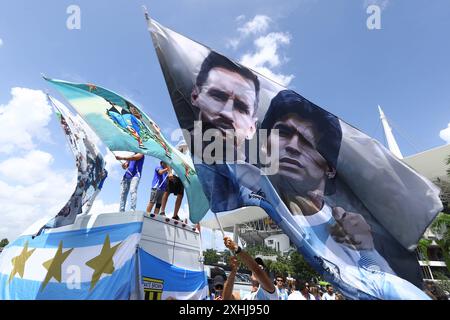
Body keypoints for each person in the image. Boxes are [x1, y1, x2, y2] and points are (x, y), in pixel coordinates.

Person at [260, 90, 430, 299]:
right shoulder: (256, 195)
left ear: (330, 168)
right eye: (283, 133)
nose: (293, 147)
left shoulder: (361, 237)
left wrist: (368, 253)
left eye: (307, 142)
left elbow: (383, 284)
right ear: (265, 146)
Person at [190, 51, 260, 161]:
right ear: (195, 96)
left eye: (241, 108)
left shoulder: (258, 177)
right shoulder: (177, 159)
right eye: (218, 97)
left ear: (252, 128)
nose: (226, 114)